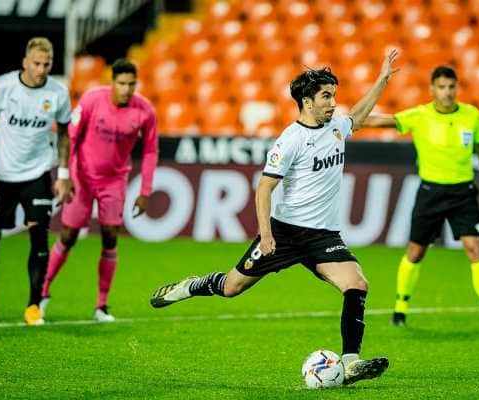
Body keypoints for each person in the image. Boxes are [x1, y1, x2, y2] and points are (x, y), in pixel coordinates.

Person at [150, 50, 399, 384]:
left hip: (323, 236)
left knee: (357, 284)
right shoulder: (290, 141)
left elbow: (358, 114)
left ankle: (351, 362)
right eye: (326, 97)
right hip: (285, 233)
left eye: (333, 96)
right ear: (307, 102)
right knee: (232, 287)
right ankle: (190, 286)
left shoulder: (338, 127)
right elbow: (264, 189)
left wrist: (382, 79)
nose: (332, 103)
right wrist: (266, 235)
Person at [364, 65, 479, 330]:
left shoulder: (471, 115)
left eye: (451, 87)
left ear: (457, 88)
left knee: (475, 248)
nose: (447, 92)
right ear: (432, 90)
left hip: (463, 192)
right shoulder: (420, 115)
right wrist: (348, 119)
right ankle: (400, 306)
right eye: (442, 87)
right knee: (416, 252)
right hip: (430, 192)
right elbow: (379, 121)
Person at [40, 59, 158, 322]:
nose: (126, 89)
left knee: (110, 237)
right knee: (68, 235)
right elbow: (70, 137)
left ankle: (101, 305)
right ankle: (42, 292)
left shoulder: (145, 111)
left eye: (131, 84)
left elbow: (150, 151)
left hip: (114, 181)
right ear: (112, 82)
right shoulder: (93, 99)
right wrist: (67, 174)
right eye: (122, 83)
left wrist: (146, 190)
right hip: (81, 177)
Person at [0, 37, 73, 326]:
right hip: (2, 173)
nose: (41, 70)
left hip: (37, 173)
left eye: (47, 64)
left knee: (39, 236)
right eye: (37, 63)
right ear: (25, 62)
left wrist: (63, 174)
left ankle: (33, 304)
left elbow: (64, 134)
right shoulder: (3, 86)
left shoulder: (58, 93)